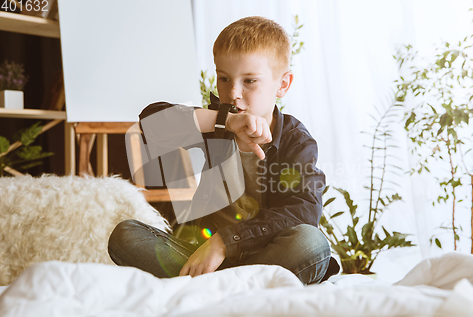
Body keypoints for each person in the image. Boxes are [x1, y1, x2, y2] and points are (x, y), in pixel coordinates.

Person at [108, 16, 339, 285]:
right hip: (200, 256)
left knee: (311, 244)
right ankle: (236, 290)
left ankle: (215, 289)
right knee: (125, 235)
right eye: (224, 78)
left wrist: (225, 242)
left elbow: (303, 211)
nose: (233, 93)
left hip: (264, 255)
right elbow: (150, 122)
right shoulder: (217, 123)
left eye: (250, 81)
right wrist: (225, 120)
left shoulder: (296, 142)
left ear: (283, 84)